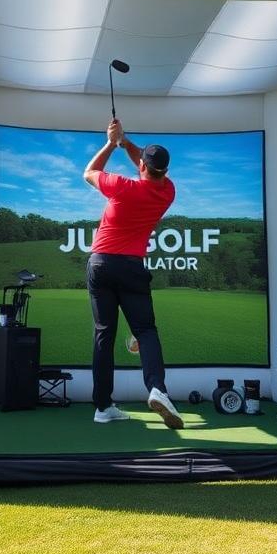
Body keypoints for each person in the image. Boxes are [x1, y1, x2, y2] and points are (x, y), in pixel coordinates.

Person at [82, 118, 183, 429]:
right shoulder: (167, 191)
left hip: (101, 264)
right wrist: (125, 142)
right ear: (164, 170)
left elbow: (89, 172)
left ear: (142, 166)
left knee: (104, 334)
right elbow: (146, 163)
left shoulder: (122, 187)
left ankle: (103, 407)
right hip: (131, 267)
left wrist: (111, 143)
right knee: (145, 331)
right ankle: (157, 389)